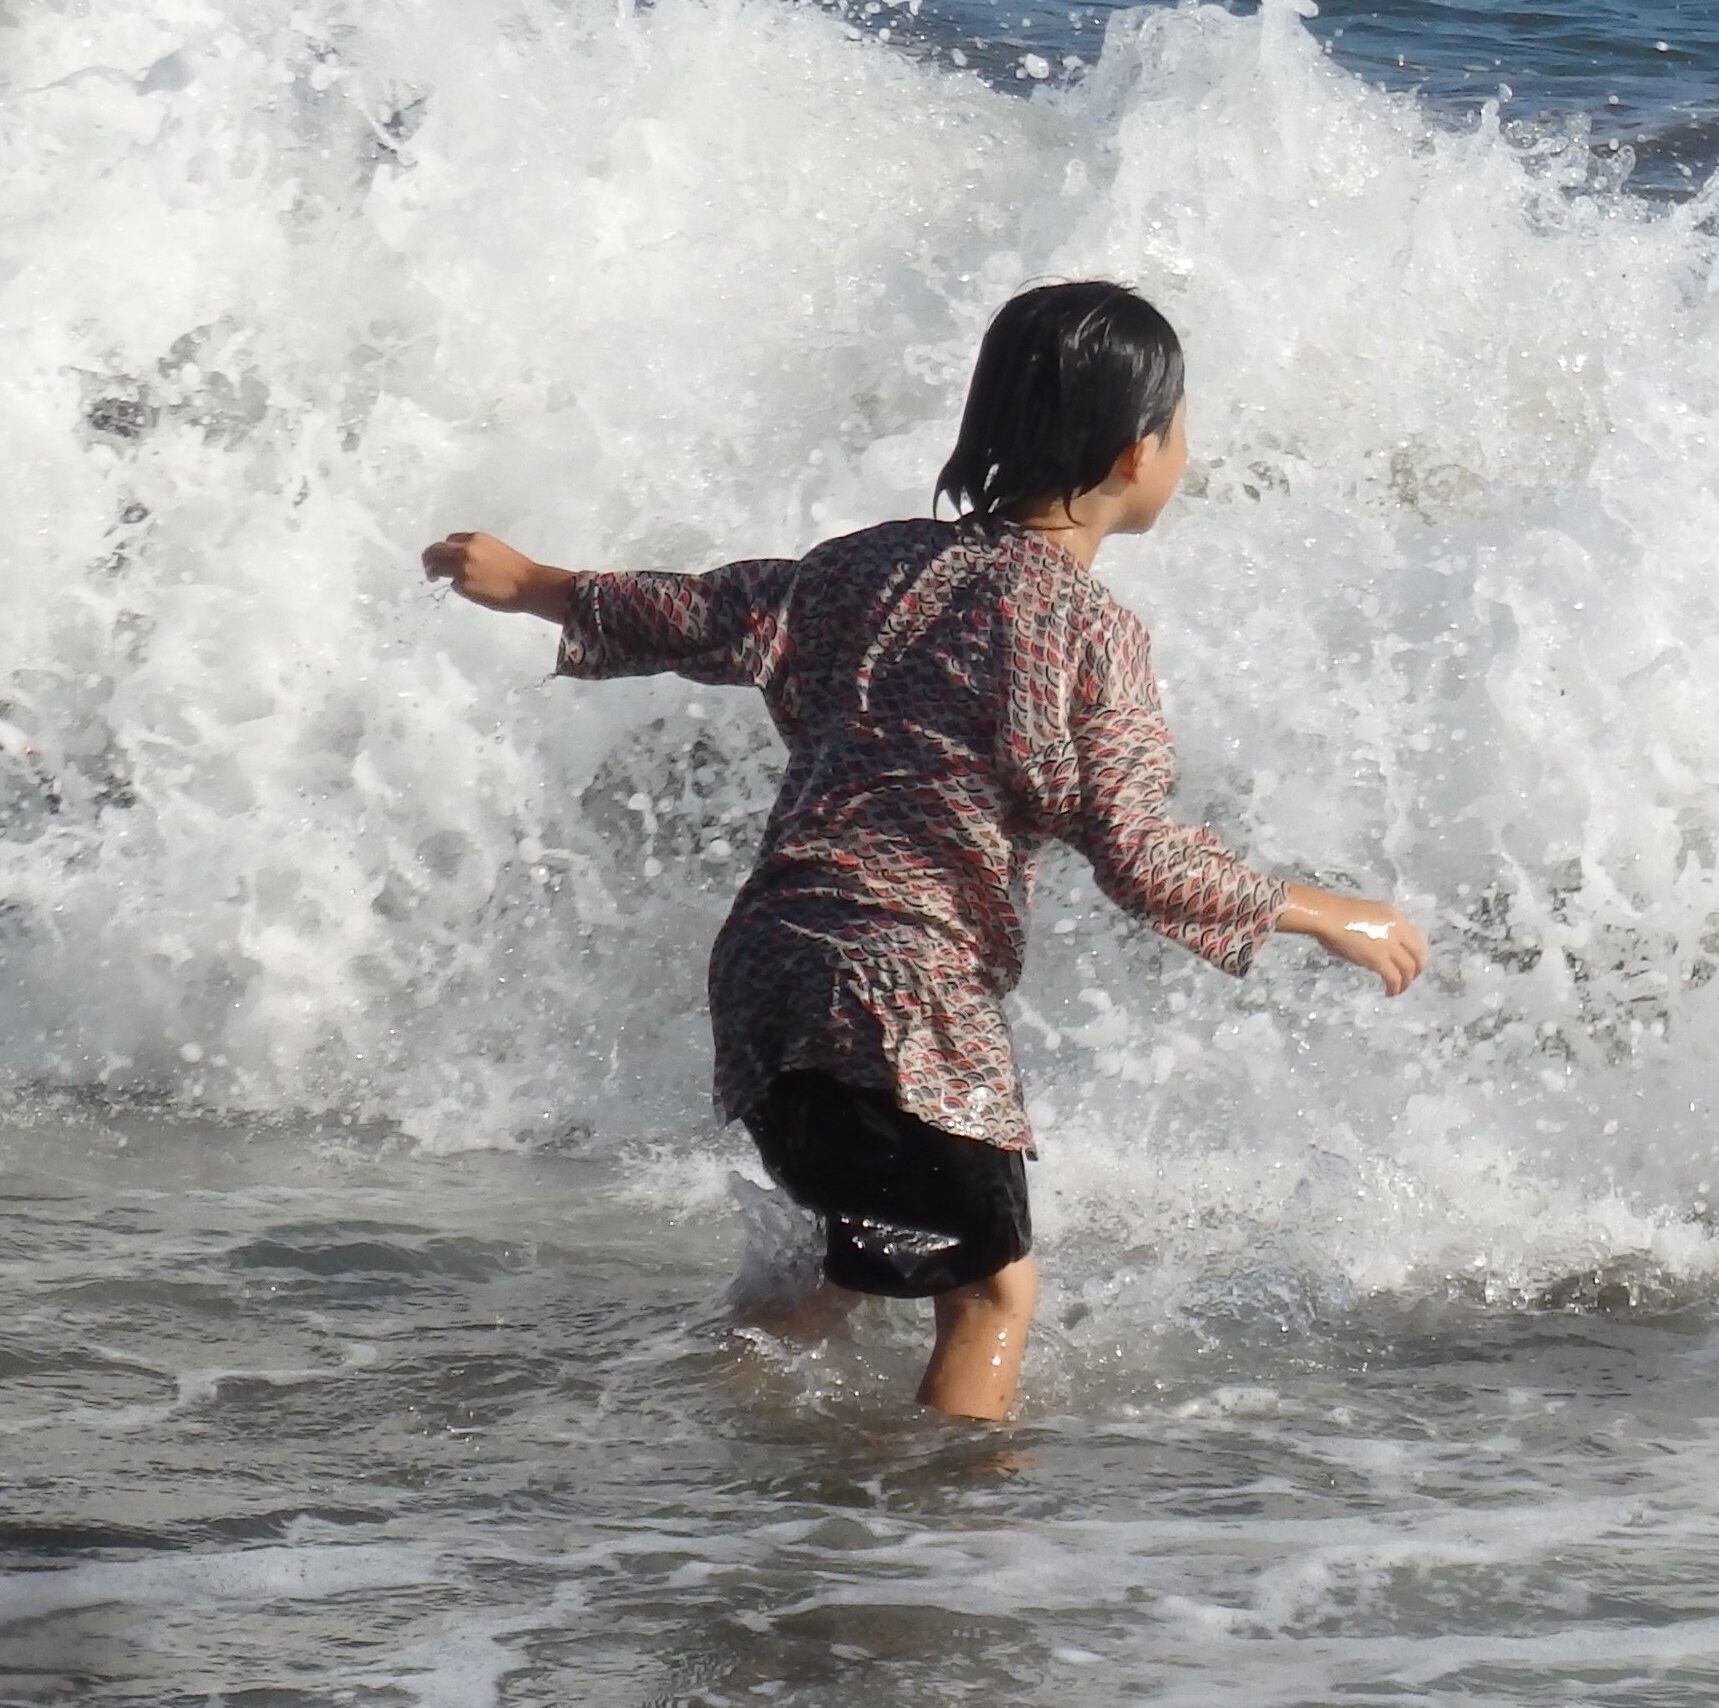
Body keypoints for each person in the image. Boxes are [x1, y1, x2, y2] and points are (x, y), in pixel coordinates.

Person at [422, 281, 1427, 1421]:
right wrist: (1326, 910)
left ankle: (701, 1436)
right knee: (992, 1293)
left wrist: (534, 584)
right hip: (904, 993)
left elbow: (701, 610)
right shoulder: (1091, 632)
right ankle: (950, 1523)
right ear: (1136, 452)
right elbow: (1137, 853)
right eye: (1182, 428)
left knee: (848, 1263)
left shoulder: (863, 566)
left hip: (768, 972)